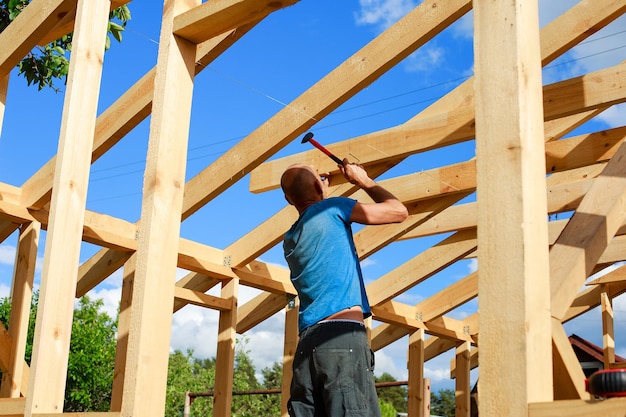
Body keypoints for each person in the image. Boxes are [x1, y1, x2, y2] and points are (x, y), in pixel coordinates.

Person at [280, 159, 408, 417]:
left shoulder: (290, 239)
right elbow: (399, 212)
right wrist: (363, 180)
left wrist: (315, 189)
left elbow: (310, 211)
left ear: (287, 199)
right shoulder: (333, 208)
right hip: (341, 338)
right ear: (319, 186)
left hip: (308, 345)